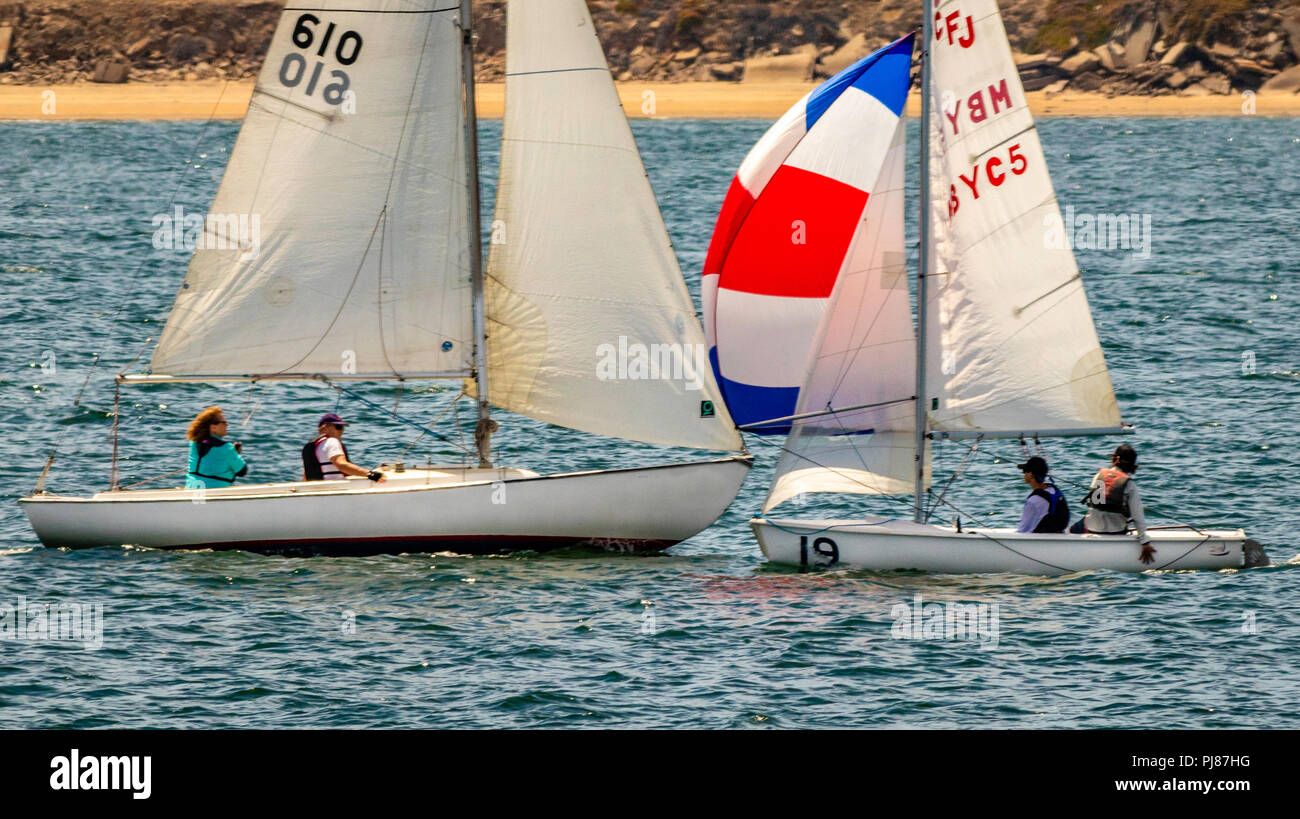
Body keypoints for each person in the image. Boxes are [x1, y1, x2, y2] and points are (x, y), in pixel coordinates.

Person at [1070, 444, 1155, 565]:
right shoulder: (1130, 486)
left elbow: (1094, 505)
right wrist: (1144, 542)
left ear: (1115, 459)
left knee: (1074, 527)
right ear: (1132, 465)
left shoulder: (1099, 476)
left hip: (1091, 528)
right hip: (1115, 532)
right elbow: (1138, 518)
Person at [302, 413, 386, 483]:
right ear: (324, 428)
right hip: (335, 489)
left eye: (342, 428)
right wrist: (371, 474)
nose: (341, 431)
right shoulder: (331, 442)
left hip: (318, 489)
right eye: (338, 427)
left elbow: (306, 476)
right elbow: (341, 465)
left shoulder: (313, 446)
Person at [185, 406, 248, 489]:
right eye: (223, 422)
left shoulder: (193, 443)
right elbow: (242, 471)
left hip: (191, 489)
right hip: (215, 491)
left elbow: (211, 454)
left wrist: (232, 453)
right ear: (213, 427)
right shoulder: (226, 448)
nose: (227, 424)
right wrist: (235, 454)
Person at [1015, 456, 1068, 534]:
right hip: (1057, 533)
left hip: (1040, 541)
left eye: (1025, 471)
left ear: (1031, 474)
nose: (1023, 473)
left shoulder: (1033, 500)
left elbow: (1023, 530)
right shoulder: (1054, 490)